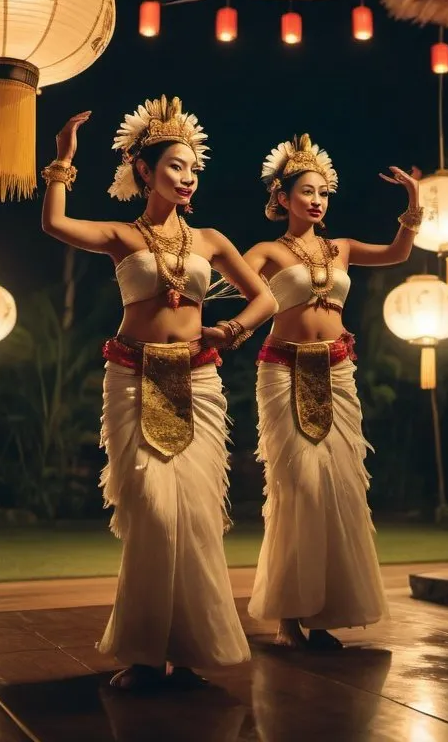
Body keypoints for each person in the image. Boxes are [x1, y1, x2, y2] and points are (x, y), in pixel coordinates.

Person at [41, 96, 277, 690]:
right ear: (143, 170)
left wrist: (232, 329)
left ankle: (192, 648)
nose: (187, 175)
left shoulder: (212, 241)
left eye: (193, 166)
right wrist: (62, 165)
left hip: (197, 378)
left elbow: (266, 299)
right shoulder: (122, 234)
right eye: (174, 165)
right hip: (132, 375)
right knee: (152, 511)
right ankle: (145, 651)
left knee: (195, 515)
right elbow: (56, 225)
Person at [244, 134, 421, 649]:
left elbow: (397, 252)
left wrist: (413, 202)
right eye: (306, 191)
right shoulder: (267, 251)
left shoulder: (341, 248)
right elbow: (229, 283)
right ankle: (287, 616)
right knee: (298, 485)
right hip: (283, 370)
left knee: (338, 487)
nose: (317, 200)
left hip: (337, 373)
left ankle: (322, 614)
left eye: (323, 192)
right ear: (282, 197)